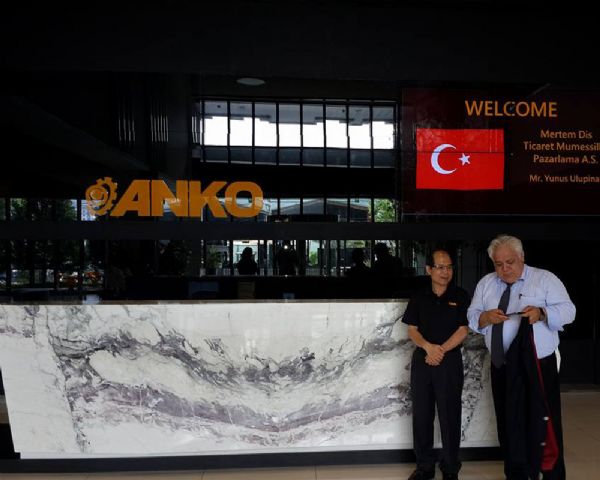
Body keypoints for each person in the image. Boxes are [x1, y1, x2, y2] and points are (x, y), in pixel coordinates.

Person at [467, 235, 575, 480]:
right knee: (508, 422)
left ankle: (550, 474)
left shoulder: (544, 279)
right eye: (498, 264)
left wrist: (542, 313)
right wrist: (485, 317)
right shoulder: (486, 283)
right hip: (501, 365)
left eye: (510, 262)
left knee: (543, 422)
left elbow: (569, 311)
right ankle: (515, 473)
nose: (505, 269)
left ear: (522, 257)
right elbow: (472, 315)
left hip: (537, 365)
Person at [402, 249, 469, 480]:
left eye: (449, 267)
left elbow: (463, 329)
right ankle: (424, 467)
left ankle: (450, 468)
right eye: (440, 267)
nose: (445, 272)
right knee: (422, 415)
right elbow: (412, 330)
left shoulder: (460, 296)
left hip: (449, 362)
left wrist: (440, 350)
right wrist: (428, 348)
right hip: (423, 361)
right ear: (429, 269)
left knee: (450, 415)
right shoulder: (419, 297)